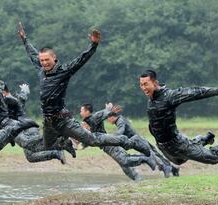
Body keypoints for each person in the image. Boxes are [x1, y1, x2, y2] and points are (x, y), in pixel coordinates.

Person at [17, 22, 151, 156]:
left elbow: (81, 60)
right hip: (48, 122)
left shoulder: (63, 71)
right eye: (42, 60)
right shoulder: (41, 69)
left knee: (92, 140)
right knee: (49, 145)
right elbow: (32, 54)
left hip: (63, 120)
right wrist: (25, 39)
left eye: (47, 60)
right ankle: (66, 143)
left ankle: (129, 142)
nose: (44, 63)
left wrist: (93, 45)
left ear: (54, 58)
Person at [139, 69, 218, 165]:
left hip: (177, 144)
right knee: (179, 161)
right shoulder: (151, 98)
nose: (143, 88)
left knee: (213, 158)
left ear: (155, 83)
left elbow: (195, 92)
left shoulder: (169, 96)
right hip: (163, 145)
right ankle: (204, 139)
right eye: (141, 85)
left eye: (146, 84)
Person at [0, 79, 72, 164]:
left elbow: (14, 103)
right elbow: (20, 100)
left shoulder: (7, 99)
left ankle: (60, 140)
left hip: (23, 128)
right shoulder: (0, 99)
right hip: (20, 127)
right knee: (31, 156)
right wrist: (24, 92)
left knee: (28, 144)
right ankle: (57, 151)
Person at [80, 103, 156, 181]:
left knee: (124, 161)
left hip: (109, 143)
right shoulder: (87, 122)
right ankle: (138, 179)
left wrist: (108, 110)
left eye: (81, 111)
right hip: (105, 145)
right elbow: (90, 138)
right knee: (124, 165)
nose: (80, 113)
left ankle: (146, 159)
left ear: (87, 111)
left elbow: (103, 113)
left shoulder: (94, 117)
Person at [107, 112, 179, 177]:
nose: (108, 121)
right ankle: (173, 169)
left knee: (151, 155)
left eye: (108, 119)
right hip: (140, 138)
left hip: (137, 141)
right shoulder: (120, 118)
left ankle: (165, 167)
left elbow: (121, 131)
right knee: (156, 154)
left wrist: (112, 137)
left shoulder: (120, 121)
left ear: (112, 117)